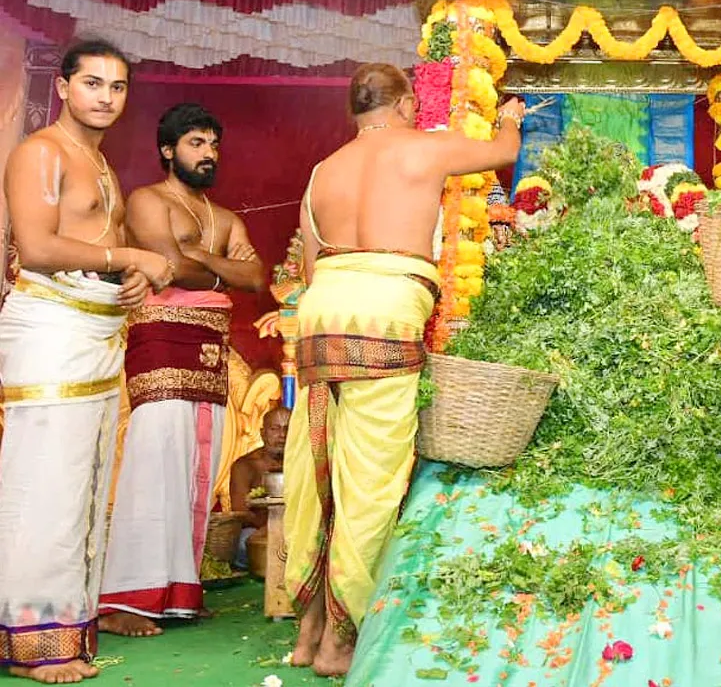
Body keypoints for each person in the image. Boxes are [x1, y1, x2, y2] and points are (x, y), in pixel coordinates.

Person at [284, 64, 524, 677]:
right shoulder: (423, 146)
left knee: (319, 473)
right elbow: (503, 151)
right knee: (369, 481)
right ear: (408, 102)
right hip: (384, 315)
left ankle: (307, 630)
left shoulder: (321, 171)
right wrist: (511, 117)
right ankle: (341, 639)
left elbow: (310, 265)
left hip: (321, 313)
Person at [0, 40, 172, 683]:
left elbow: (94, 242)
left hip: (92, 329)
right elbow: (38, 246)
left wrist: (123, 280)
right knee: (43, 486)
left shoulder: (96, 161)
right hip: (50, 327)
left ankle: (61, 625)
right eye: (93, 83)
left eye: (118, 86)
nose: (106, 96)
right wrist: (128, 260)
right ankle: (32, 642)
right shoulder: (40, 152)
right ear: (65, 87)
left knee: (82, 484)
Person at [99, 104, 266, 636]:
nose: (208, 153)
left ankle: (176, 593)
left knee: (199, 470)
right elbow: (165, 261)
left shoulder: (227, 218)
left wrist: (201, 261)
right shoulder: (148, 200)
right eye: (196, 143)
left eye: (213, 144)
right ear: (169, 150)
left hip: (210, 351)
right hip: (163, 340)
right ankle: (124, 599)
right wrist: (217, 269)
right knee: (155, 464)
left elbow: (256, 276)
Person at [229, 406, 291, 570]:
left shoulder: (304, 462)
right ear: (263, 433)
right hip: (258, 531)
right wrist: (274, 528)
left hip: (295, 530)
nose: (282, 435)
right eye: (275, 429)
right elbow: (240, 510)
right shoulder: (246, 465)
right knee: (243, 543)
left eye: (287, 428)